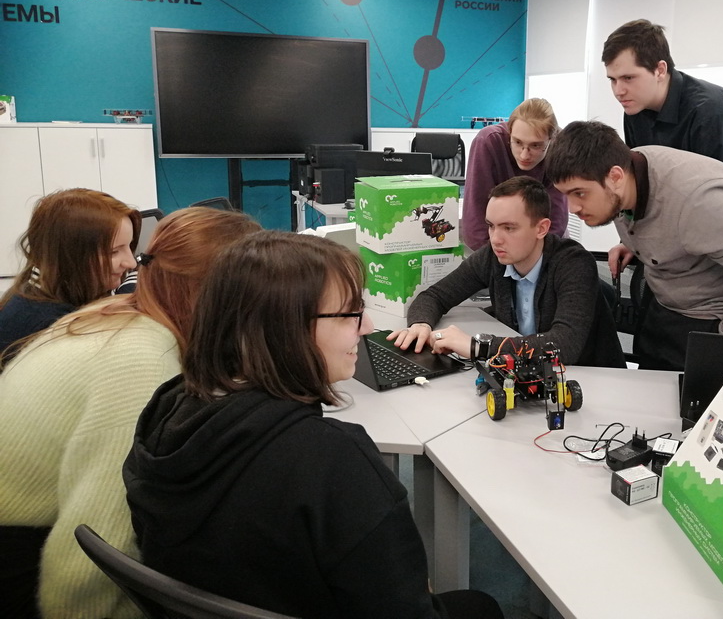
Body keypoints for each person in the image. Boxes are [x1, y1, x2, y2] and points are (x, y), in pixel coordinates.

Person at [123, 232, 503, 619]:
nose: (367, 326)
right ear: (287, 328)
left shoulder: (167, 409)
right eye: (351, 313)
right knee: (481, 606)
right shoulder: (334, 462)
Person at [0, 207, 261, 619]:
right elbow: (89, 554)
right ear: (216, 295)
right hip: (20, 556)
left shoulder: (121, 312)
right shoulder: (142, 361)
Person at [546, 120, 723, 372]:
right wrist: (633, 243)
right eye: (565, 194)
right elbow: (660, 220)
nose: (572, 208)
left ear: (616, 177)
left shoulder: (703, 203)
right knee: (650, 391)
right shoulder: (626, 172)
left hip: (720, 320)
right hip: (666, 307)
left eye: (580, 193)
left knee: (697, 398)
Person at [388, 176, 624, 368]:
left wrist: (478, 346)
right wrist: (420, 324)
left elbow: (564, 346)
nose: (495, 239)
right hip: (526, 376)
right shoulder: (493, 257)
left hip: (590, 383)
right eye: (491, 226)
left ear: (541, 228)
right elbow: (436, 295)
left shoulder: (573, 263)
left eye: (509, 228)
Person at [603, 19, 723, 229]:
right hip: (680, 227)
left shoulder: (714, 113)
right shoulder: (635, 108)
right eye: (612, 80)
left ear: (660, 70)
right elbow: (642, 184)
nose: (618, 91)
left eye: (628, 78)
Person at [0, 188, 140, 366]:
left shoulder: (36, 292)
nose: (131, 263)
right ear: (68, 257)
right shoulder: (53, 328)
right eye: (113, 252)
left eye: (129, 246)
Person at [462, 98, 568, 250]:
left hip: (540, 240)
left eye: (536, 145)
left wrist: (536, 255)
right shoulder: (487, 141)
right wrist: (492, 257)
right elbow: (475, 216)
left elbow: (557, 217)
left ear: (551, 140)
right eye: (517, 142)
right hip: (495, 241)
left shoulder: (560, 146)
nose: (524, 155)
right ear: (509, 132)